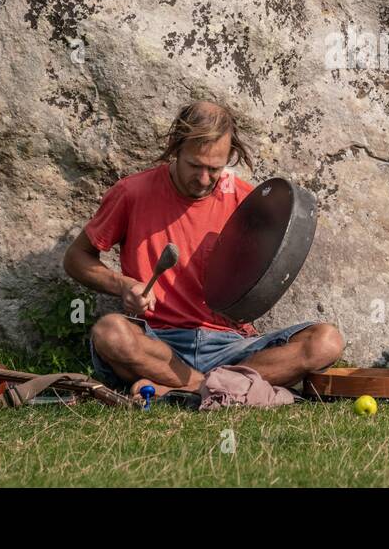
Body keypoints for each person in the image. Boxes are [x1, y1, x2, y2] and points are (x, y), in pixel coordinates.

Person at [64, 100, 344, 399]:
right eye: (194, 165)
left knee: (326, 341)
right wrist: (124, 286)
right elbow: (76, 258)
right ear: (175, 148)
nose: (203, 178)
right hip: (158, 346)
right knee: (110, 333)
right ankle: (222, 388)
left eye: (214, 169)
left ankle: (189, 388)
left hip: (233, 347)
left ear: (230, 155)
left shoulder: (248, 203)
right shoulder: (132, 193)